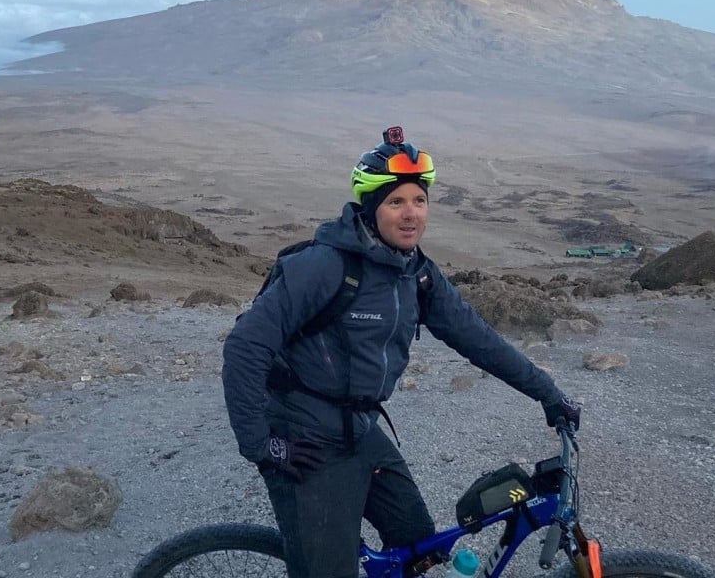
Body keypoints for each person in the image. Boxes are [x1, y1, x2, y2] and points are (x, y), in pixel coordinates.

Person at [222, 127, 581, 578]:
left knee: (418, 545)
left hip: (359, 428)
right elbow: (245, 347)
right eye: (396, 202)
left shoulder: (417, 274)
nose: (411, 214)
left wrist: (548, 393)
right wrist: (262, 445)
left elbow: (479, 339)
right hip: (305, 437)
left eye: (419, 200)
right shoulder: (325, 267)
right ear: (371, 209)